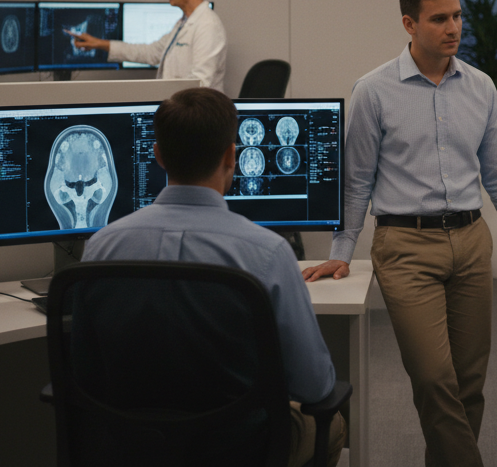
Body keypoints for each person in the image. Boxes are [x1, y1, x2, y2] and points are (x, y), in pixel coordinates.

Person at [301, 0, 497, 467]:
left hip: (474, 241)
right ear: (410, 24)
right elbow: (357, 180)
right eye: (439, 19)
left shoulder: (480, 87)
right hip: (405, 246)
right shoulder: (373, 90)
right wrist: (342, 252)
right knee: (434, 378)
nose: (453, 27)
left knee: (469, 382)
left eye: (457, 16)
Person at [82, 88, 344, 467]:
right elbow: (314, 385)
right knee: (330, 424)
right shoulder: (267, 253)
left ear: (157, 156)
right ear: (230, 155)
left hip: (132, 447)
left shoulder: (101, 248)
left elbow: (86, 377)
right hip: (237, 451)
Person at [72, 0, 227, 92]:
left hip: (197, 118)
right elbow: (150, 53)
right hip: (180, 112)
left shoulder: (208, 26)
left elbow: (200, 85)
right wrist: (100, 44)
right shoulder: (183, 23)